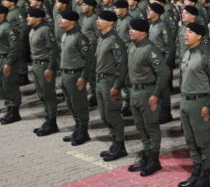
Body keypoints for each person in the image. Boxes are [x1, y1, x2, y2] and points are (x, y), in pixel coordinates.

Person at [177, 22, 210, 187]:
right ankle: (195, 174)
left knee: (203, 142)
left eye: (189, 32)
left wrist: (208, 104)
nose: (185, 34)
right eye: (185, 31)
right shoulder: (186, 53)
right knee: (190, 141)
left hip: (200, 103)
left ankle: (205, 177)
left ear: (199, 36)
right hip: (186, 102)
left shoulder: (207, 56)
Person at [126, 18, 171, 177]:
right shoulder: (132, 46)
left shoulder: (150, 49)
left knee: (151, 126)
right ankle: (146, 155)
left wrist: (155, 94)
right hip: (135, 92)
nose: (130, 31)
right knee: (140, 126)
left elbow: (164, 73)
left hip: (148, 92)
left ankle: (154, 160)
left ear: (143, 32)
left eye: (133, 29)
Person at [94, 10, 128, 161]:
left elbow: (121, 66)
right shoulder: (102, 38)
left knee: (113, 114)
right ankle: (114, 141)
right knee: (104, 114)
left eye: (100, 19)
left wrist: (116, 86)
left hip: (110, 82)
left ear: (110, 23)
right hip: (100, 81)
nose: (97, 21)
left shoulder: (115, 41)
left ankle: (120, 145)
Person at [58, 10, 94, 143]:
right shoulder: (65, 35)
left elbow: (89, 59)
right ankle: (77, 128)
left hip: (75, 75)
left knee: (79, 104)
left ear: (72, 22)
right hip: (65, 74)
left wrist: (83, 77)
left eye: (63, 18)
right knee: (70, 103)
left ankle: (83, 131)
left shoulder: (79, 37)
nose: (60, 21)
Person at [27, 7, 60, 136]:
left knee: (48, 95)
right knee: (41, 95)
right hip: (36, 65)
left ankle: (52, 123)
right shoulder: (33, 30)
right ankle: (47, 120)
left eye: (30, 16)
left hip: (44, 66)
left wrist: (51, 68)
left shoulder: (45, 30)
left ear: (39, 18)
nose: (27, 18)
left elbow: (54, 50)